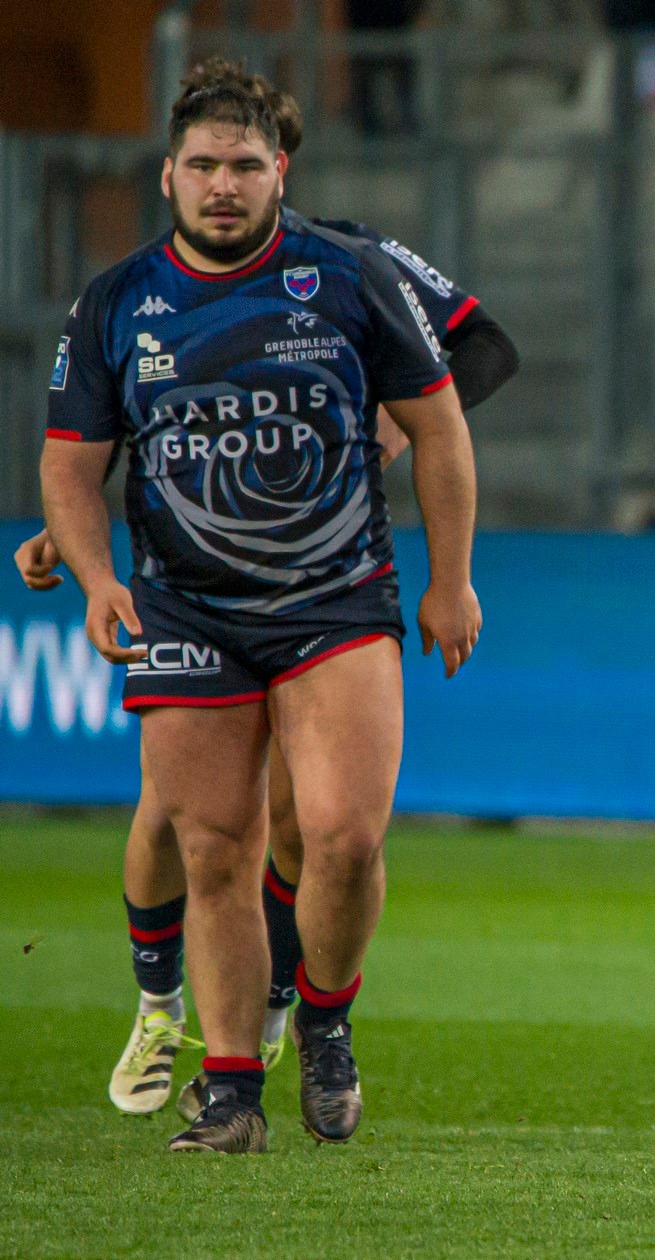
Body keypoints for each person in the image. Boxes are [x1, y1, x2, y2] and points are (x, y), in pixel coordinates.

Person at [16, 60, 518, 1128]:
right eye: (203, 166)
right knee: (208, 843)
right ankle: (228, 1084)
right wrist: (93, 567)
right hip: (186, 608)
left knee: (339, 836)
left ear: (280, 168)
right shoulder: (116, 301)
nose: (224, 185)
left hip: (336, 596)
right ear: (168, 177)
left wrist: (452, 579)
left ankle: (325, 1018)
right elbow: (71, 463)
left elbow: (447, 410)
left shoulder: (350, 270)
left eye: (244, 164)